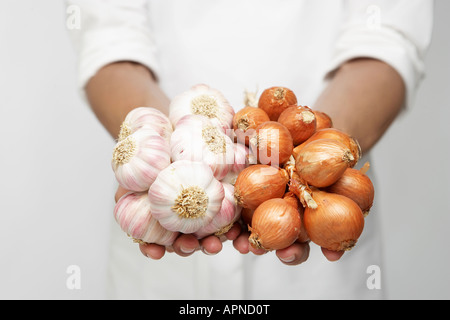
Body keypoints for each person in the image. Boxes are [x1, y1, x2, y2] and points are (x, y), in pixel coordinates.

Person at [67, 0, 433, 299]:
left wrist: (319, 151)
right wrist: (161, 155)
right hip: (165, 234)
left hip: (318, 261)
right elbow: (110, 41)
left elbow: (385, 40)